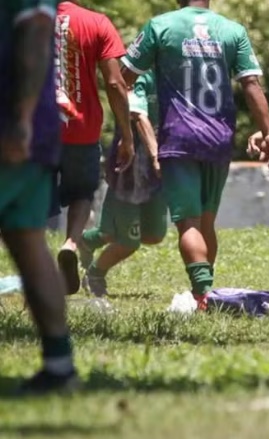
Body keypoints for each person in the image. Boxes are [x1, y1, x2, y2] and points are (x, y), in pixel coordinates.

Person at [121, 0, 269, 310]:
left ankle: (204, 296)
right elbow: (251, 83)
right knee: (207, 222)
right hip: (218, 139)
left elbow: (123, 76)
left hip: (178, 138)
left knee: (189, 224)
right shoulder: (232, 30)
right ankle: (206, 294)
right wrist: (268, 131)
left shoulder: (161, 26)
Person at [1, 0, 79, 394]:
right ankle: (59, 365)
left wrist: (21, 120)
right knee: (29, 244)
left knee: (29, 244)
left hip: (12, 131)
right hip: (36, 134)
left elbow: (35, 33)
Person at [54, 1, 134, 295]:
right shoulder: (97, 22)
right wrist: (126, 134)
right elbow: (115, 83)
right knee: (81, 193)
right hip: (81, 130)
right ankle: (71, 243)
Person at [79, 72, 167, 299]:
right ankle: (95, 274)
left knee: (154, 235)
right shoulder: (139, 77)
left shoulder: (175, 76)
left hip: (155, 178)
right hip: (128, 172)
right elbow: (138, 115)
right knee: (128, 241)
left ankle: (86, 241)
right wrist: (155, 154)